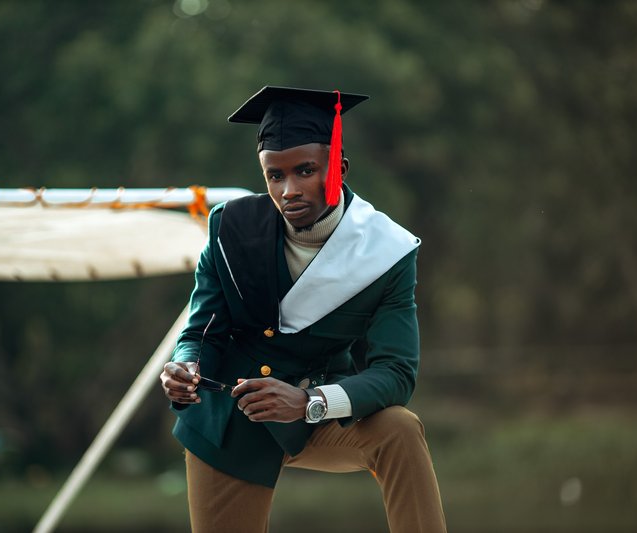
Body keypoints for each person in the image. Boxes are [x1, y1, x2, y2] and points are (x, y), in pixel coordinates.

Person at [160, 86, 446, 532]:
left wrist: (310, 402)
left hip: (318, 411)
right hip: (230, 422)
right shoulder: (230, 227)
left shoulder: (388, 249)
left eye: (305, 170)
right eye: (275, 176)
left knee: (400, 430)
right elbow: (201, 333)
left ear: (339, 168)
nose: (288, 190)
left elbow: (396, 373)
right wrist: (185, 368)